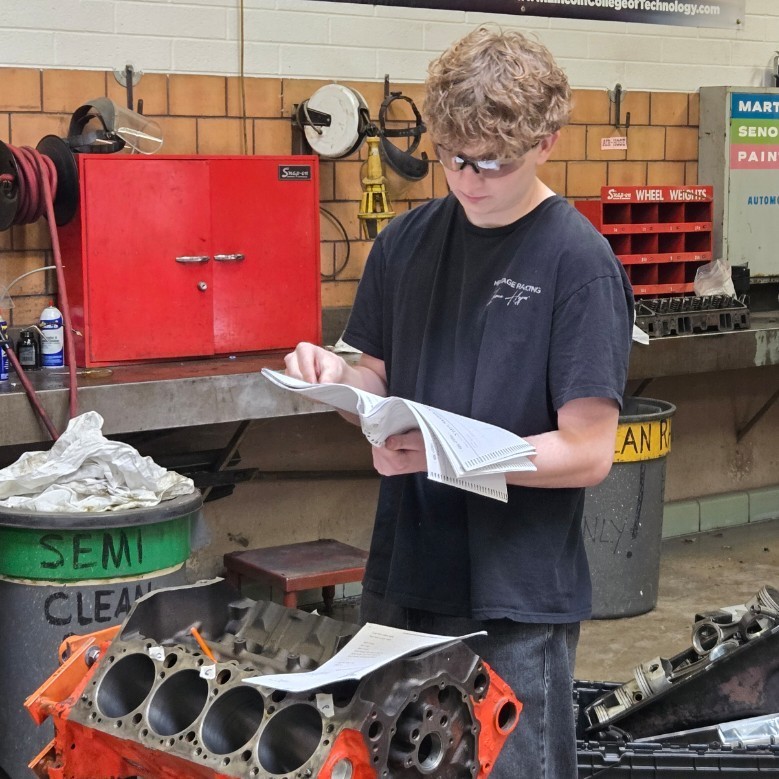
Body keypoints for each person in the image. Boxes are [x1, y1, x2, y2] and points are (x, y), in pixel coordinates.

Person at [284, 25, 634, 778]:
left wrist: (451, 454)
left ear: (545, 142)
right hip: (405, 576)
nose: (470, 179)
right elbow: (375, 383)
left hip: (512, 598)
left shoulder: (579, 264)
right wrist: (336, 379)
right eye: (453, 157)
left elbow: (587, 450)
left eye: (492, 162)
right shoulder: (404, 243)